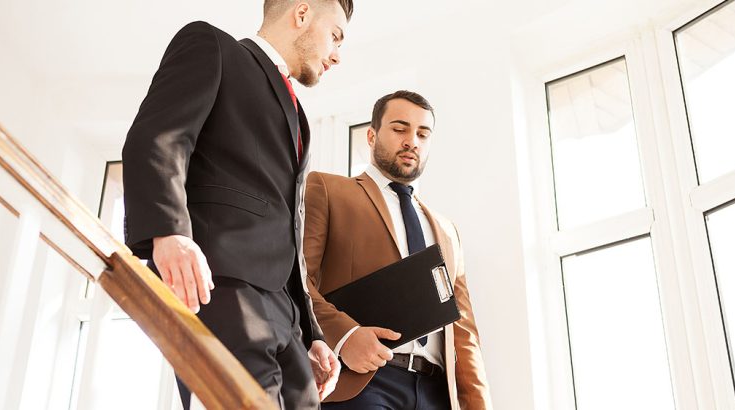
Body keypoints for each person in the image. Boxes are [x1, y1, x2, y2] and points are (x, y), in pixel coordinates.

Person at [121, 1, 353, 408]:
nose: (337, 54)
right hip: (219, 286)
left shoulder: (299, 116)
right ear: (301, 14)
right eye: (335, 35)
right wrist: (169, 232)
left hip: (287, 316)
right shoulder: (212, 47)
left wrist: (312, 332)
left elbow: (289, 227)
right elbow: (158, 139)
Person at [302, 90, 493, 409]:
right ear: (372, 135)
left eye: (422, 133)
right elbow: (295, 281)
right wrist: (345, 336)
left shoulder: (447, 231)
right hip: (363, 384)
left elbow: (463, 333)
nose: (412, 141)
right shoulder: (328, 189)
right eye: (400, 128)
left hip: (436, 393)